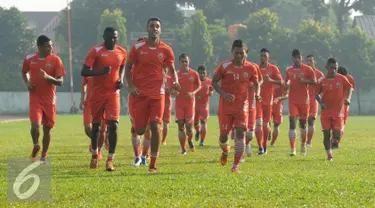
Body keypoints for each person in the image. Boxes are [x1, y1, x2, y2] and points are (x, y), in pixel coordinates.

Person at [125, 17, 180, 173]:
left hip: (158, 94)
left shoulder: (166, 50)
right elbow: (128, 68)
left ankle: (153, 163)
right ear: (147, 28)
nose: (155, 28)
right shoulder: (137, 47)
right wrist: (131, 86)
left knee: (155, 126)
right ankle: (141, 151)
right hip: (140, 94)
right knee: (140, 130)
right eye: (152, 26)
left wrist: (175, 81)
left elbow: (172, 70)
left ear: (160, 30)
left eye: (157, 26)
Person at [81, 27, 127, 171]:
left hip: (113, 93)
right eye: (109, 38)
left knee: (113, 125)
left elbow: (123, 66)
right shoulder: (95, 51)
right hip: (97, 94)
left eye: (115, 37)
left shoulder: (122, 52)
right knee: (96, 127)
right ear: (104, 37)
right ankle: (95, 155)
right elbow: (84, 71)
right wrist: (101, 72)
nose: (112, 40)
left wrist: (121, 79)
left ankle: (110, 160)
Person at [212, 39, 260, 173]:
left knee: (240, 134)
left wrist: (257, 94)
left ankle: (236, 165)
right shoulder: (224, 66)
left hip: (242, 108)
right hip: (226, 108)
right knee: (223, 137)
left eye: (241, 53)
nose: (238, 56)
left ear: (246, 53)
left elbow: (256, 83)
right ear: (232, 52)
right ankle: (226, 150)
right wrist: (223, 93)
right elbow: (214, 82)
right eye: (236, 53)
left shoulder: (251, 68)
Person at [22, 35, 66, 163]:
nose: (51, 48)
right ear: (40, 47)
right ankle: (36, 144)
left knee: (47, 129)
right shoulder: (29, 59)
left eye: (51, 45)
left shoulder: (56, 60)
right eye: (48, 46)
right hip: (35, 99)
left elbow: (61, 81)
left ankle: (44, 155)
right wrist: (27, 82)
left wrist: (48, 77)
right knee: (35, 125)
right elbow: (24, 72)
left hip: (49, 101)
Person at [315, 58, 352, 160]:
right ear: (327, 67)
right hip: (326, 112)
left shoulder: (341, 78)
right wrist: (321, 103)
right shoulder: (321, 80)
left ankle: (333, 143)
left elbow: (349, 88)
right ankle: (329, 155)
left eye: (335, 68)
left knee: (337, 135)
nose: (334, 70)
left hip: (338, 112)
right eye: (331, 68)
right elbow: (316, 94)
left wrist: (348, 98)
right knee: (326, 134)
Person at [285, 49, 316, 156]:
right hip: (292, 100)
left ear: (301, 58)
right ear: (293, 58)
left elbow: (314, 82)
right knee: (292, 123)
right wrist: (286, 84)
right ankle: (292, 149)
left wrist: (304, 81)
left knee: (303, 124)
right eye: (295, 58)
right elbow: (286, 80)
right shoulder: (288, 69)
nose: (297, 59)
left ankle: (303, 144)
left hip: (304, 100)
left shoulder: (308, 69)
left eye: (299, 57)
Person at [255, 48, 283, 155]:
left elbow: (281, 82)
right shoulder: (255, 68)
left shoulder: (273, 69)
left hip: (268, 101)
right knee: (258, 124)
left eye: (264, 56)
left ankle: (265, 145)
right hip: (257, 100)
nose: (262, 58)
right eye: (261, 56)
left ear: (268, 57)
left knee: (266, 125)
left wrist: (271, 80)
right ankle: (260, 147)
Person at [174, 54, 201, 154]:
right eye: (182, 61)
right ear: (179, 62)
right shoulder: (176, 74)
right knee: (180, 126)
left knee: (189, 128)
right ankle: (183, 149)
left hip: (190, 104)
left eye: (186, 61)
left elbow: (199, 86)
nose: (184, 63)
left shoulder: (194, 74)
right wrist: (174, 92)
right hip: (179, 104)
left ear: (189, 62)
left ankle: (190, 140)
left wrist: (193, 93)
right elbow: (171, 88)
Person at [80, 76, 109, 159]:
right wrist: (82, 99)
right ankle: (96, 141)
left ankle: (98, 151)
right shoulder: (88, 67)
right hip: (89, 102)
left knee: (102, 130)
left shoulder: (104, 66)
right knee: (87, 128)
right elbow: (84, 84)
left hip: (102, 101)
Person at [305, 55, 324, 147]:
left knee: (311, 121)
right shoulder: (303, 73)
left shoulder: (320, 74)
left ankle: (309, 141)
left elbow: (324, 88)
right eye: (307, 61)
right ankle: (304, 139)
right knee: (302, 121)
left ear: (314, 61)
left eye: (310, 61)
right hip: (303, 99)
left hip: (314, 100)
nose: (309, 62)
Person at [335, 66, 356, 148]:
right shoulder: (349, 78)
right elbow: (352, 88)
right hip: (342, 103)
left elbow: (351, 88)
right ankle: (336, 141)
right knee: (341, 123)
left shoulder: (346, 78)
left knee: (340, 123)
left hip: (343, 103)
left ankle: (335, 141)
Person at [194, 65, 214, 146]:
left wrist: (210, 93)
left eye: (203, 73)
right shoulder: (194, 81)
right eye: (200, 73)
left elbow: (211, 92)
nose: (202, 75)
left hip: (204, 105)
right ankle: (198, 131)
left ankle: (202, 141)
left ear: (206, 73)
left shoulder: (210, 81)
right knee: (195, 124)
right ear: (197, 73)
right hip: (195, 105)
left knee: (203, 122)